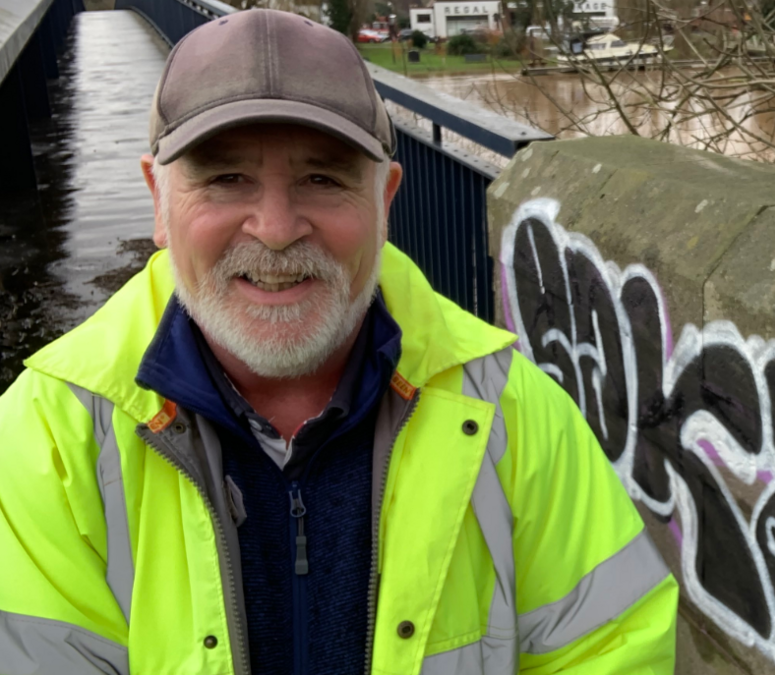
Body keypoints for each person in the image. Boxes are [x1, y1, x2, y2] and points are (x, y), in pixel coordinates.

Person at [0, 9, 677, 675]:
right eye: (226, 178)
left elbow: (613, 650)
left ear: (386, 200)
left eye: (322, 179)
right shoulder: (49, 440)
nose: (274, 228)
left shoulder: (513, 415)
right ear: (158, 199)